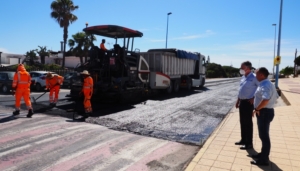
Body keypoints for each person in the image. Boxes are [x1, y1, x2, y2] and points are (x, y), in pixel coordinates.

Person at [251, 67, 278, 166]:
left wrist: (257, 109)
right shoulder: (268, 83)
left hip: (264, 113)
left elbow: (266, 99)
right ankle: (263, 154)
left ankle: (264, 160)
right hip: (267, 111)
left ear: (261, 75)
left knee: (264, 136)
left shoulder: (265, 85)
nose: (255, 76)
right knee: (263, 135)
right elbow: (275, 97)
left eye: (256, 74)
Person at [235, 61, 259, 149]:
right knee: (242, 121)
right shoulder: (243, 77)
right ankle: (243, 139)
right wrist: (238, 101)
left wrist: (254, 97)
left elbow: (260, 88)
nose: (241, 69)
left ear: (248, 68)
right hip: (242, 102)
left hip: (249, 103)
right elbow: (240, 90)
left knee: (248, 123)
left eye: (242, 68)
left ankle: (249, 143)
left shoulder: (254, 77)